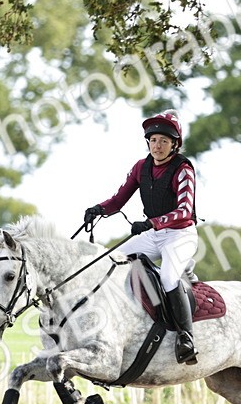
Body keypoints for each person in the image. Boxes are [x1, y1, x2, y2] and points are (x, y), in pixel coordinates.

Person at [85, 110, 199, 364]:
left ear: (174, 145)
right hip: (154, 234)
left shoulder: (183, 170)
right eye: (153, 140)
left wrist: (151, 222)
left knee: (169, 277)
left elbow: (184, 211)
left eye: (163, 141)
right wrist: (99, 209)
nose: (157, 146)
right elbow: (119, 199)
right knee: (114, 261)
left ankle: (186, 338)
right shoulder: (141, 167)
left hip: (181, 234)